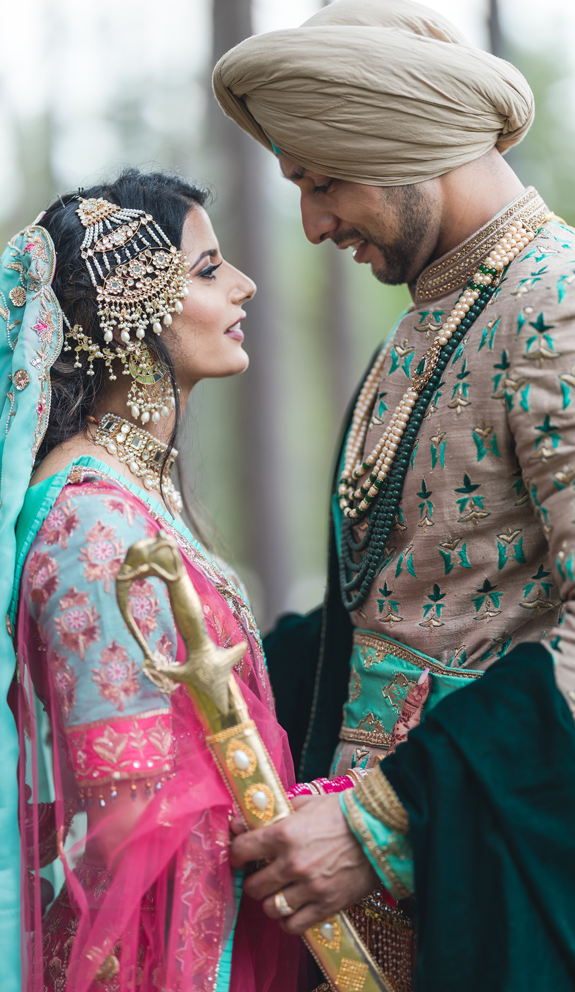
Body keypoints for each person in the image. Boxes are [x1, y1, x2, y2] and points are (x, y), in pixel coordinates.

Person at [213, 0, 575, 991]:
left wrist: (380, 819)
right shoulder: (437, 312)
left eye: (324, 181)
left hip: (531, 885)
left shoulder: (570, 307)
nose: (313, 220)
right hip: (408, 890)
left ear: (408, 139)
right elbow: (390, 606)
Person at [0, 169, 310, 992]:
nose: (243, 283)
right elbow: (130, 810)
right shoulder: (90, 522)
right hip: (152, 951)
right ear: (130, 307)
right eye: (208, 270)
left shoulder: (130, 497)